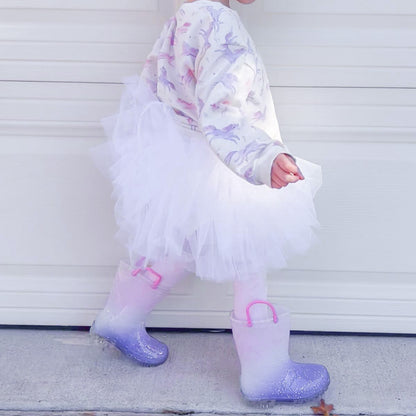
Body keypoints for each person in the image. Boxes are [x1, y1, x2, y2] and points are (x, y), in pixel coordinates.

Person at [89, 0, 330, 405]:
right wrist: (263, 158)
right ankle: (265, 372)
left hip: (189, 161)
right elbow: (221, 115)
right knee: (250, 252)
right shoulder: (221, 23)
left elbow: (154, 86)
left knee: (183, 243)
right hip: (230, 165)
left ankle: (121, 318)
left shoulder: (185, 16)